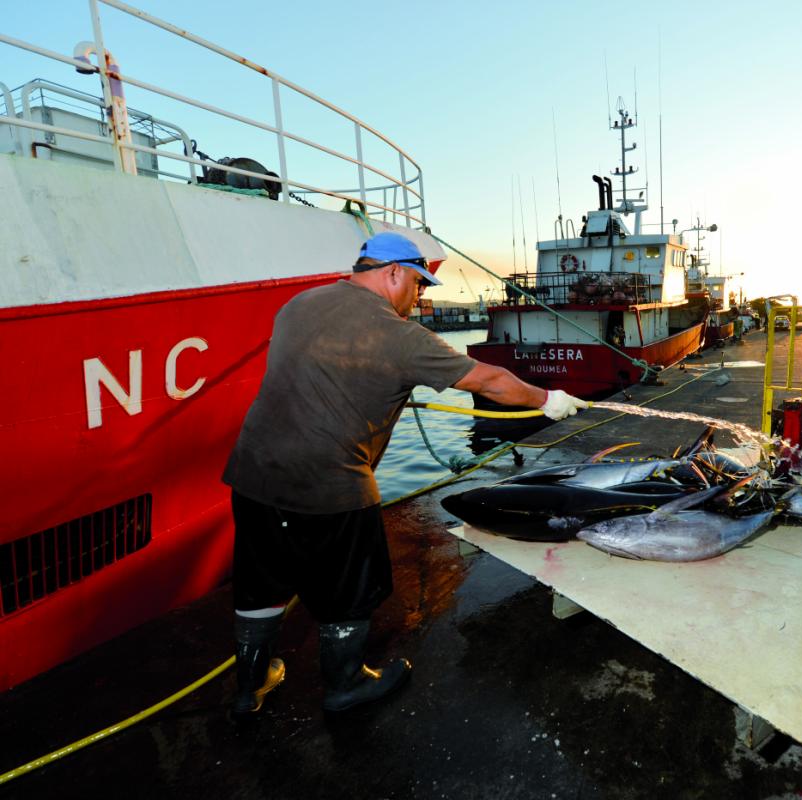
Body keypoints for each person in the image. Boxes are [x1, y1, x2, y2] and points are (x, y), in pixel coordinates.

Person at [221, 232, 588, 717]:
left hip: (254, 476)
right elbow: (489, 381)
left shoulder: (297, 305)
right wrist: (550, 400)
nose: (420, 298)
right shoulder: (399, 336)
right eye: (418, 285)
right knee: (349, 594)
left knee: (260, 582)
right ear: (394, 272)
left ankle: (248, 689)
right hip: (332, 487)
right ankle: (345, 686)